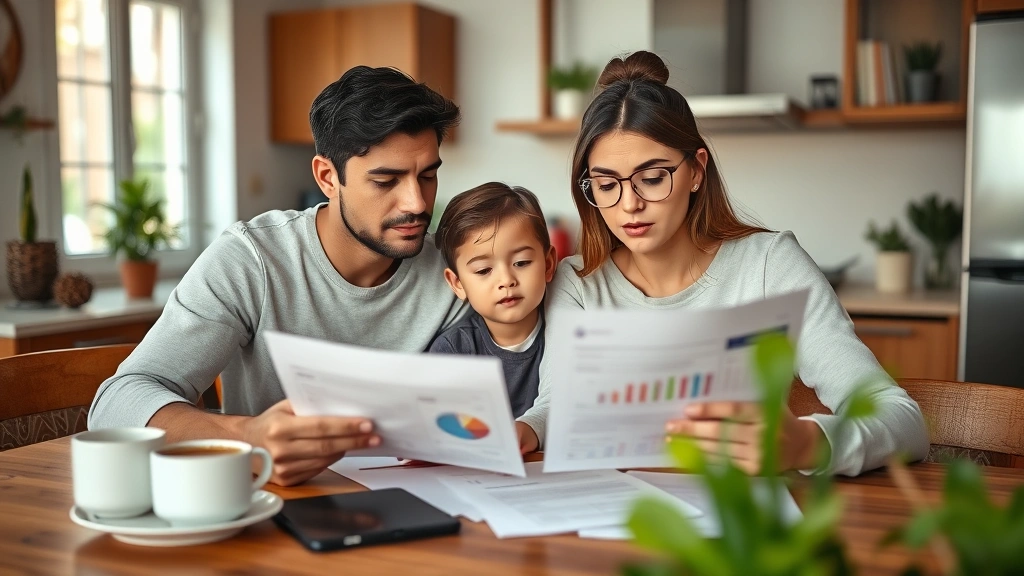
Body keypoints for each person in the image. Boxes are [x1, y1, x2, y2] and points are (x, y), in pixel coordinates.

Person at [516, 52, 928, 474]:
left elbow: (902, 420)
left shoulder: (770, 265)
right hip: (612, 514)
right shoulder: (578, 283)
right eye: (606, 185)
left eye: (653, 178)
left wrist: (806, 444)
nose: (630, 205)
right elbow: (557, 402)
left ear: (696, 170)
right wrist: (526, 428)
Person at [88, 66, 468, 486]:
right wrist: (246, 437)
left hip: (424, 504)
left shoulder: (458, 272)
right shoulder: (252, 260)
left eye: (428, 175)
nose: (416, 202)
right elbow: (115, 403)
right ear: (327, 178)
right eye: (385, 180)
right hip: (275, 507)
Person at [429, 183, 557, 452]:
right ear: (457, 284)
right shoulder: (454, 351)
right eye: (484, 270)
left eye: (521, 263)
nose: (506, 280)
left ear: (548, 264)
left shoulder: (564, 335)